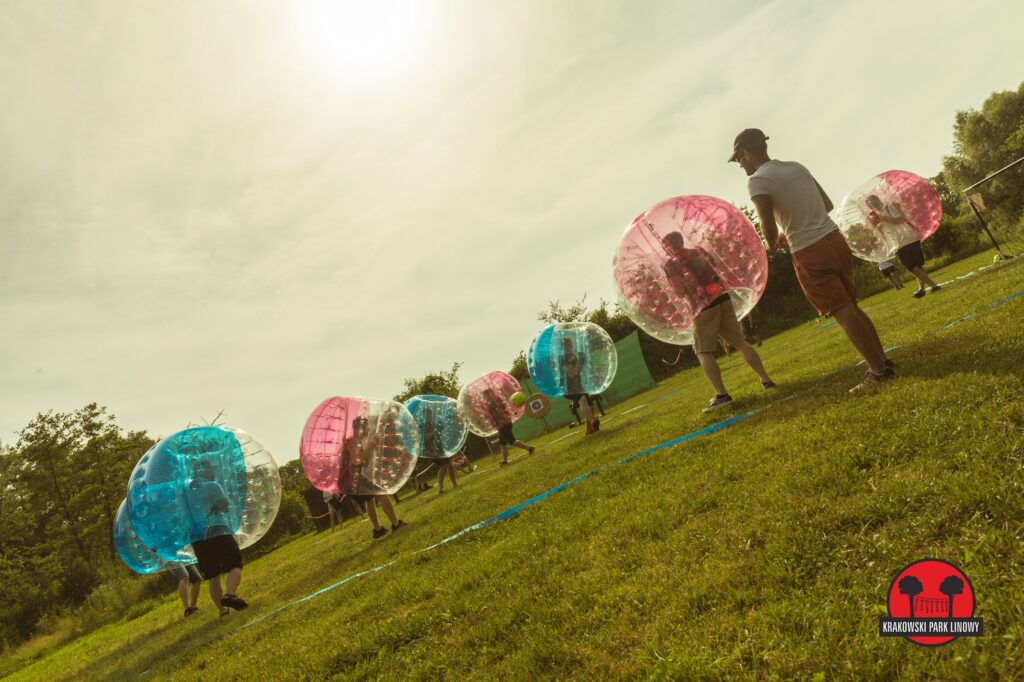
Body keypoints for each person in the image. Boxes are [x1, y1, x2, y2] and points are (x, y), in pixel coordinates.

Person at [730, 128, 894, 393]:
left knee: (842, 311)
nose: (739, 165)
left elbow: (767, 226)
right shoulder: (796, 167)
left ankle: (878, 371)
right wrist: (788, 231)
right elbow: (826, 204)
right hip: (834, 239)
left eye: (738, 159)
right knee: (851, 306)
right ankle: (882, 361)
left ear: (746, 153)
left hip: (809, 250)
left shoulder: (757, 180)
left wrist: (769, 245)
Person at [661, 230, 775, 412]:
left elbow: (680, 292)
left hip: (703, 307)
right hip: (722, 298)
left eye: (665, 247)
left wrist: (672, 284)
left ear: (668, 247)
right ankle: (766, 379)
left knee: (703, 351)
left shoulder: (671, 264)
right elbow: (715, 270)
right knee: (740, 342)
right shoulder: (698, 252)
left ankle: (722, 395)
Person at [185, 464, 247, 617]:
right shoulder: (212, 486)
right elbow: (224, 506)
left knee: (213, 575)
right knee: (235, 564)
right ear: (206, 471)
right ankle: (230, 594)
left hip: (197, 538)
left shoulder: (186, 493)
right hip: (217, 530)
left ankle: (223, 611)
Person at [341, 416, 406, 539]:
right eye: (366, 428)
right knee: (382, 493)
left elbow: (364, 462)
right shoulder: (352, 441)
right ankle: (396, 524)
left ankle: (378, 530)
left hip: (353, 480)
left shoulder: (356, 441)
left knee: (370, 499)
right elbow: (356, 460)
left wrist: (372, 450)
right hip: (353, 480)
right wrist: (371, 446)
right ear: (360, 428)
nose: (368, 430)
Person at [864, 194, 940, 298]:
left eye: (872, 202)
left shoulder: (891, 206)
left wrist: (883, 218)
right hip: (897, 244)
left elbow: (901, 219)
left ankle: (923, 289)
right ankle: (931, 286)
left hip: (909, 237)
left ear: (877, 200)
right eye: (869, 205)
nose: (871, 205)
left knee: (918, 266)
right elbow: (881, 232)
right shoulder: (875, 216)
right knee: (911, 267)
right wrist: (874, 225)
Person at [483, 389, 534, 464]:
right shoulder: (497, 400)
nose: (485, 398)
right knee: (502, 444)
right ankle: (505, 461)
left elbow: (491, 416)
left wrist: (486, 412)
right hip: (506, 423)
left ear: (489, 395)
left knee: (512, 441)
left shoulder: (492, 404)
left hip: (503, 425)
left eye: (485, 396)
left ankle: (530, 448)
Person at [560, 337, 599, 433]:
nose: (568, 347)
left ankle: (589, 429)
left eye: (569, 345)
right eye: (566, 345)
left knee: (589, 403)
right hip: (568, 388)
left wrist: (581, 363)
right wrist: (578, 363)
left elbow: (578, 371)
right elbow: (571, 374)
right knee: (583, 399)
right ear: (563, 347)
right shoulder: (564, 359)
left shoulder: (574, 356)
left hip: (578, 385)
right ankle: (593, 422)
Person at [423, 407, 457, 494]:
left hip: (439, 447)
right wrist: (435, 431)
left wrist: (441, 428)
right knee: (443, 466)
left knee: (450, 465)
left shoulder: (433, 423)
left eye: (430, 414)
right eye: (427, 415)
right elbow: (426, 437)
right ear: (424, 416)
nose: (429, 416)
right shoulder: (424, 425)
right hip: (431, 450)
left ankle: (455, 484)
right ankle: (440, 489)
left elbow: (439, 432)